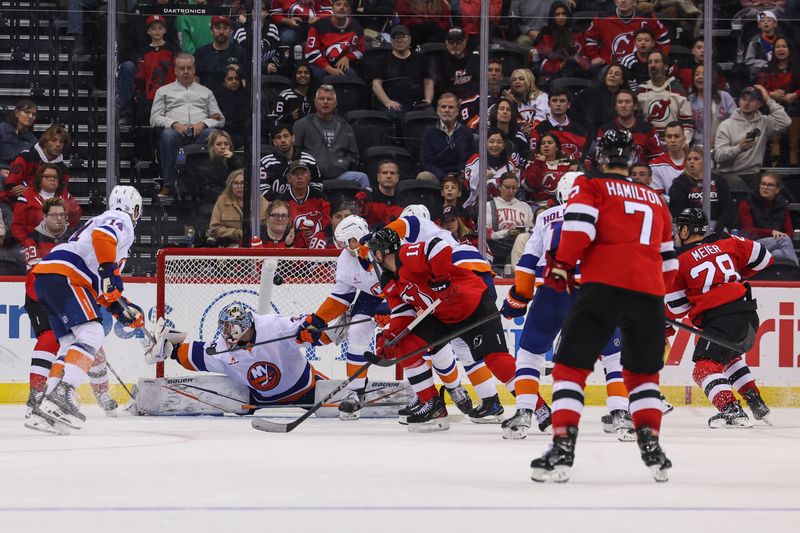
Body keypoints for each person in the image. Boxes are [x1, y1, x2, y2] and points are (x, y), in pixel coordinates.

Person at [531, 129, 677, 483]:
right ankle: (652, 447)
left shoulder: (591, 187)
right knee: (643, 377)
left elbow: (578, 231)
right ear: (630, 160)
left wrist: (563, 265)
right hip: (649, 293)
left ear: (599, 157)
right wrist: (655, 297)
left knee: (569, 369)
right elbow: (670, 265)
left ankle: (563, 445)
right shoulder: (656, 199)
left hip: (603, 289)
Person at [501, 172, 634, 441]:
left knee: (530, 352)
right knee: (613, 356)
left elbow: (527, 261)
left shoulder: (546, 216)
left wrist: (519, 296)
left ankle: (524, 413)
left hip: (553, 291)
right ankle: (621, 415)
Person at [367, 227, 517, 431]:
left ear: (378, 253)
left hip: (471, 303)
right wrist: (390, 339)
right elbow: (403, 315)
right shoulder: (389, 281)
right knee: (406, 345)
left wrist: (440, 280)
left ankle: (534, 406)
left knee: (496, 360)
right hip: (443, 316)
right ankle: (433, 405)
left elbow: (438, 247)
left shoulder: (406, 255)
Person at [25, 186, 145, 434]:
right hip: (68, 274)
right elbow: (103, 236)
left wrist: (121, 310)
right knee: (92, 334)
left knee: (70, 343)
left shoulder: (106, 243)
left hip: (50, 275)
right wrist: (110, 272)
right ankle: (63, 394)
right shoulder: (120, 218)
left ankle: (46, 404)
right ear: (135, 209)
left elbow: (103, 290)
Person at [666, 208, 773, 427]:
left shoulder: (678, 260)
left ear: (685, 230)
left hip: (722, 318)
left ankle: (732, 410)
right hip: (748, 313)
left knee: (704, 367)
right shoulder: (726, 240)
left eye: (679, 228)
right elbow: (765, 258)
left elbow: (678, 308)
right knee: (728, 358)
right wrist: (732, 279)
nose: (677, 233)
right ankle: (756, 402)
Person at [22, 198, 118, 427]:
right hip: (41, 290)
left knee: (90, 344)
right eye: (53, 214)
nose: (58, 219)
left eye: (61, 215)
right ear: (44, 217)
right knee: (49, 340)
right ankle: (36, 395)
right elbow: (38, 269)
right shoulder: (33, 238)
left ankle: (101, 394)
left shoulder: (77, 235)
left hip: (68, 287)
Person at [295, 215, 392, 418]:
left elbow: (405, 279)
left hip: (401, 295)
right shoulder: (346, 259)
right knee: (356, 331)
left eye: (348, 242)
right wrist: (318, 319)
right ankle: (356, 392)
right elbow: (342, 296)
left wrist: (388, 304)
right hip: (372, 297)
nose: (345, 247)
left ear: (356, 237)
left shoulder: (386, 245)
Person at [145, 303, 329, 407]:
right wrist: (169, 348)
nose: (225, 331)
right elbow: (192, 355)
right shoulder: (221, 349)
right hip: (264, 404)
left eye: (229, 326)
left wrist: (313, 334)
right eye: (223, 326)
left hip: (309, 388)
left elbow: (317, 332)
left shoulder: (275, 326)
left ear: (244, 324)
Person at [150, 53, 224, 198]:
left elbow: (220, 118)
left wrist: (202, 124)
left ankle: (211, 184)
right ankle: (169, 184)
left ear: (194, 70)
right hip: (176, 133)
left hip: (200, 133)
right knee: (167, 135)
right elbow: (154, 118)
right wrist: (174, 124)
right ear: (175, 71)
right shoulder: (163, 91)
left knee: (213, 134)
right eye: (182, 68)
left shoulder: (206, 92)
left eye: (189, 68)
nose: (185, 71)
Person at [292, 85, 370, 189]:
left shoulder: (345, 126)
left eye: (329, 99)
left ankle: (365, 205)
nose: (325, 102)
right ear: (315, 102)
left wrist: (342, 164)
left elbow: (354, 155)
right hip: (310, 177)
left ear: (335, 103)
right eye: (321, 98)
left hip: (339, 175)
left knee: (362, 178)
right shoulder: (302, 124)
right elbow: (294, 152)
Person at [714, 85, 791, 189]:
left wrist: (768, 99)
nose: (746, 103)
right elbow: (718, 156)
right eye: (743, 99)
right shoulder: (726, 125)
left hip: (753, 174)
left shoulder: (764, 122)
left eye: (751, 100)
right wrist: (739, 148)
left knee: (773, 188)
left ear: (759, 104)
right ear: (739, 101)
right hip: (729, 174)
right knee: (738, 185)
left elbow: (786, 121)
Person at [118, 15, 177, 126]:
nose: (157, 31)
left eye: (160, 28)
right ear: (148, 31)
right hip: (149, 95)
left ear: (164, 30)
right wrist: (138, 91)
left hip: (169, 95)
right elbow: (141, 75)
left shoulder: (171, 50)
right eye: (153, 28)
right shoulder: (144, 52)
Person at [370, 25, 434, 121]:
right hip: (393, 103)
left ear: (410, 39)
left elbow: (428, 81)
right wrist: (387, 101)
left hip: (416, 104)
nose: (399, 40)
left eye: (403, 37)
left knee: (430, 114)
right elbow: (376, 84)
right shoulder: (382, 60)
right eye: (395, 37)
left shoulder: (421, 59)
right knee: (392, 115)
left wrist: (428, 99)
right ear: (391, 41)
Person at [2, 124, 72, 209]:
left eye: (61, 142)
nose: (58, 144)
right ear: (45, 142)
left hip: (47, 212)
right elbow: (10, 186)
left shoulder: (63, 170)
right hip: (15, 205)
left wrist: (29, 191)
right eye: (53, 140)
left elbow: (59, 197)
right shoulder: (26, 158)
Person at [669, 145, 736, 231]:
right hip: (690, 226)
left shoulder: (719, 180)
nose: (691, 162)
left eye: (696, 159)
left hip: (717, 225)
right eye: (689, 159)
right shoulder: (680, 182)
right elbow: (677, 210)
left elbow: (727, 207)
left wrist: (718, 229)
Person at [12, 163, 82, 246]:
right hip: (35, 243)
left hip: (61, 242)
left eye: (55, 177)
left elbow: (75, 220)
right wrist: (27, 242)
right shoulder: (26, 197)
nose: (52, 179)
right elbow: (17, 227)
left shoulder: (66, 196)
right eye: (47, 176)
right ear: (39, 179)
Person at [584, 0, 670, 66]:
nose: (623, 1)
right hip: (609, 66)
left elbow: (664, 41)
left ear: (635, 2)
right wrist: (594, 56)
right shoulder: (602, 18)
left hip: (641, 66)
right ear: (615, 2)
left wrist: (658, 59)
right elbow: (590, 40)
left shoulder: (647, 18)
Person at [757, 35, 800, 166]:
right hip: (773, 104)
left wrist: (795, 94)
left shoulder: (797, 68)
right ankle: (774, 145)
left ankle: (793, 150)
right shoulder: (767, 69)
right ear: (773, 50)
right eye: (778, 47)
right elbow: (759, 88)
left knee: (795, 110)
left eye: (784, 46)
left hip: (795, 103)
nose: (781, 49)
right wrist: (771, 94)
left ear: (790, 49)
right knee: (771, 110)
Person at [738, 173, 799, 265]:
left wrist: (777, 236)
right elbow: (748, 230)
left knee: (777, 253)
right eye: (763, 184)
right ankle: (797, 272)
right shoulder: (746, 203)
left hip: (775, 244)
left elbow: (789, 231)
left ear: (777, 190)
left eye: (770, 185)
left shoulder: (782, 205)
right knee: (784, 240)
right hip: (752, 244)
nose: (765, 187)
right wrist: (771, 232)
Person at [635, 50, 694, 144]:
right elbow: (634, 122)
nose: (653, 65)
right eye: (650, 62)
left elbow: (687, 123)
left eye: (657, 61)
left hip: (674, 145)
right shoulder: (641, 91)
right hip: (649, 145)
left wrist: (683, 144)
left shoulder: (677, 89)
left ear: (666, 66)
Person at [417, 93, 476, 183]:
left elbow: (473, 159)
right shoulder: (429, 132)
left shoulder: (466, 132)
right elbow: (426, 162)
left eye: (451, 107)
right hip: (438, 176)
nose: (447, 110)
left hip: (461, 176)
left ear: (457, 111)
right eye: (443, 107)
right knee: (423, 176)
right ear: (437, 110)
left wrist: (462, 173)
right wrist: (443, 176)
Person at [595, 88, 663, 166]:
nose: (623, 105)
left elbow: (657, 158)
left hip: (640, 175)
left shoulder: (648, 129)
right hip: (614, 175)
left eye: (627, 102)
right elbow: (600, 159)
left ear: (635, 106)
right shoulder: (605, 129)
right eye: (620, 102)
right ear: (615, 106)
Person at [305, 0, 365, 80]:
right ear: (332, 8)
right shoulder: (318, 26)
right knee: (321, 76)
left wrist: (348, 57)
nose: (341, 8)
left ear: (350, 10)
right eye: (338, 4)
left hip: (341, 64)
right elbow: (310, 53)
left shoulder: (356, 27)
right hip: (320, 65)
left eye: (346, 5)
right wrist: (330, 69)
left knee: (351, 74)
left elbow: (360, 50)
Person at [207, 169, 269, 247]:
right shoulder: (222, 201)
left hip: (256, 244)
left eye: (243, 183)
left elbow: (269, 225)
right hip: (229, 246)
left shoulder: (260, 200)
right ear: (230, 185)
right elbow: (214, 229)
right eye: (236, 183)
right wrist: (236, 233)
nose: (240, 187)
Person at [278, 160, 331, 249]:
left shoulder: (320, 197)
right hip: (293, 248)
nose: (299, 177)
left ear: (309, 176)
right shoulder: (282, 201)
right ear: (289, 178)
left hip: (321, 247)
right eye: (295, 174)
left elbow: (328, 224)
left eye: (303, 173)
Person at [260, 123, 320, 201]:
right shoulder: (265, 163)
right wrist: (282, 201)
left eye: (286, 136)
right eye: (278, 137)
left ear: (293, 138)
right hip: (275, 208)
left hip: (304, 207)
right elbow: (261, 190)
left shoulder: (309, 160)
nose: (283, 140)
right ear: (274, 142)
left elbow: (317, 187)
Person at [531, 2, 589, 82]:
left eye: (563, 14)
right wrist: (535, 65)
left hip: (573, 70)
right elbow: (533, 51)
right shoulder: (545, 32)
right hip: (550, 72)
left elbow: (583, 55)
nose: (561, 17)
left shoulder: (576, 33)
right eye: (557, 14)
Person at [463, 129, 521, 209]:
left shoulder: (510, 164)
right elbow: (470, 186)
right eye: (491, 141)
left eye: (499, 142)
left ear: (504, 145)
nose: (495, 145)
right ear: (485, 143)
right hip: (476, 207)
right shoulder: (476, 160)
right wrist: (482, 175)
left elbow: (515, 190)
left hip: (504, 208)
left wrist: (516, 177)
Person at [193, 16, 246, 101]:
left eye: (225, 28)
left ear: (231, 31)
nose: (221, 32)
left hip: (234, 104)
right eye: (217, 28)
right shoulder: (201, 52)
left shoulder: (240, 52)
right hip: (207, 103)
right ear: (211, 30)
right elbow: (195, 79)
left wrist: (240, 71)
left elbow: (246, 80)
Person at [531, 88, 591, 162]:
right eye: (554, 101)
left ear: (568, 105)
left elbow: (586, 159)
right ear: (549, 104)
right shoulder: (539, 130)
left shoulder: (580, 130)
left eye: (562, 101)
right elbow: (533, 157)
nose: (558, 104)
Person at [487, 173, 534, 266]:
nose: (511, 191)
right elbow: (486, 233)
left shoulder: (525, 207)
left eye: (514, 188)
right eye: (507, 187)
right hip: (498, 249)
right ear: (499, 187)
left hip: (521, 247)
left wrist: (521, 231)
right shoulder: (488, 205)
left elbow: (532, 231)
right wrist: (506, 232)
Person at [689, 64, 737, 148]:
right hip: (699, 148)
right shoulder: (689, 100)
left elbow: (735, 122)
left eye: (704, 74)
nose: (700, 77)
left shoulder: (725, 97)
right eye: (697, 74)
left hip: (724, 145)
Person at [521, 132, 576, 204]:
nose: (546, 145)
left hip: (564, 204)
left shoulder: (567, 165)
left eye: (549, 143)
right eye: (543, 143)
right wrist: (539, 163)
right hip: (540, 205)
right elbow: (530, 186)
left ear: (557, 147)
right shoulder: (532, 164)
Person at [434, 28, 480, 99]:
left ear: (465, 42)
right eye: (451, 42)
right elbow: (442, 88)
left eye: (458, 42)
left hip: (472, 99)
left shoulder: (475, 58)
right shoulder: (440, 62)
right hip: (450, 101)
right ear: (446, 43)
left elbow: (477, 83)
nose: (455, 45)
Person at [359, 160, 403, 225]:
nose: (389, 176)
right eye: (385, 173)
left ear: (397, 177)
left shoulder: (403, 200)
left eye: (392, 173)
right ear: (378, 177)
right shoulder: (365, 196)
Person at [649, 122, 687, 197]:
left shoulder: (696, 160)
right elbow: (658, 196)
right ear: (665, 140)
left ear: (684, 139)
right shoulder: (655, 165)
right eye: (669, 137)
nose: (673, 140)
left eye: (677, 136)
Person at [0, 100, 37, 171]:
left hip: (18, 173)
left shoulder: (33, 141)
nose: (30, 116)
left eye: (34, 114)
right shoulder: (1, 130)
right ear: (17, 113)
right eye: (27, 112)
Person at [216, 66, 248, 147]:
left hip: (243, 132)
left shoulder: (246, 95)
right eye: (230, 79)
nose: (234, 81)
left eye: (237, 79)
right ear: (223, 82)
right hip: (225, 132)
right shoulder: (218, 97)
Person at [744, 10, 781, 81]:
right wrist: (765, 64)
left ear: (775, 24)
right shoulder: (754, 41)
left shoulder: (782, 39)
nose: (766, 22)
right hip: (761, 73)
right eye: (762, 21)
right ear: (759, 25)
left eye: (769, 20)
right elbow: (749, 60)